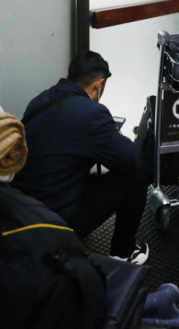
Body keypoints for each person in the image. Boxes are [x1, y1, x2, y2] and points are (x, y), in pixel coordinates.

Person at [13, 52, 150, 265]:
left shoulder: (40, 100)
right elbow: (132, 159)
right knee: (138, 173)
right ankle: (123, 253)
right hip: (55, 222)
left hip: (21, 211)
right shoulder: (92, 114)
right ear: (99, 84)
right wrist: (117, 137)